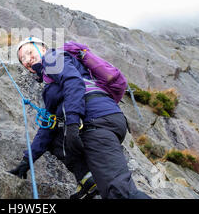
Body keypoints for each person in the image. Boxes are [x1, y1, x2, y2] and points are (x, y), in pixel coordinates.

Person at [9, 37, 151, 199]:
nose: (27, 60)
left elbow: (74, 83)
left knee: (119, 192)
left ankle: (91, 179)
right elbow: (48, 127)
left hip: (95, 120)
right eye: (23, 60)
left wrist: (72, 123)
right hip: (100, 118)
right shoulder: (50, 84)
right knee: (55, 139)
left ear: (42, 48)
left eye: (29, 52)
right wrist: (27, 162)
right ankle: (89, 179)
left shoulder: (52, 58)